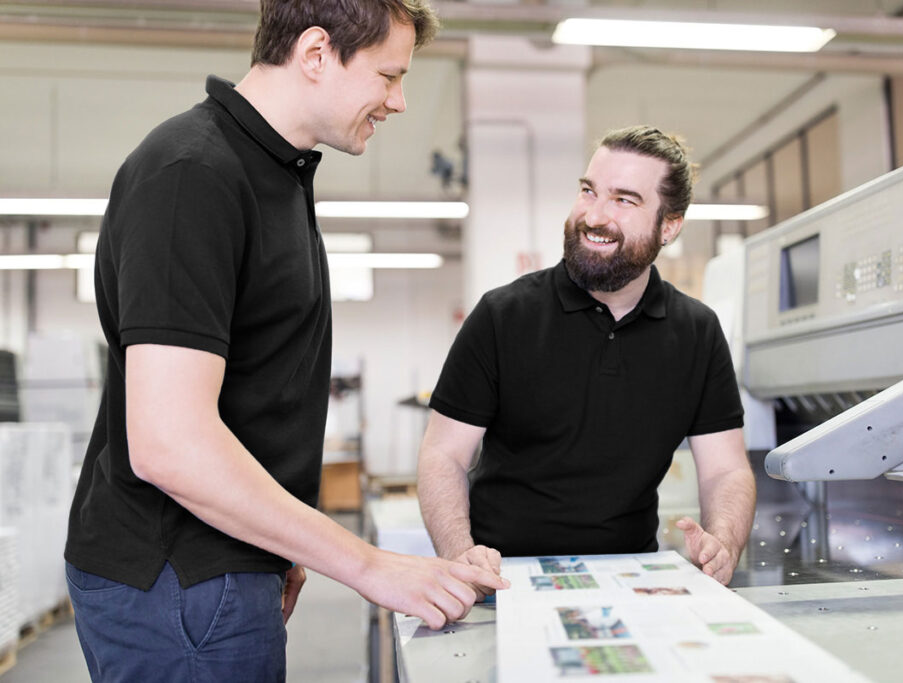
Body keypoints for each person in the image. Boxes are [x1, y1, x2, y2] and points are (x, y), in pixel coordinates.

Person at [63, 2, 506, 681]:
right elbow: (168, 442)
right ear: (317, 53)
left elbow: (252, 393)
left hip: (227, 561)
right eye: (388, 76)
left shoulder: (275, 174)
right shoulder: (194, 175)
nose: (400, 100)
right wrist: (368, 564)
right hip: (177, 580)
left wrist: (281, 544)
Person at [418, 125, 756, 592]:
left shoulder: (696, 331)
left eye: (624, 200)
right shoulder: (503, 316)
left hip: (633, 581)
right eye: (588, 191)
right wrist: (460, 551)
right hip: (502, 580)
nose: (594, 215)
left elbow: (726, 469)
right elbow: (443, 455)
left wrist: (724, 542)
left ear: (670, 225)